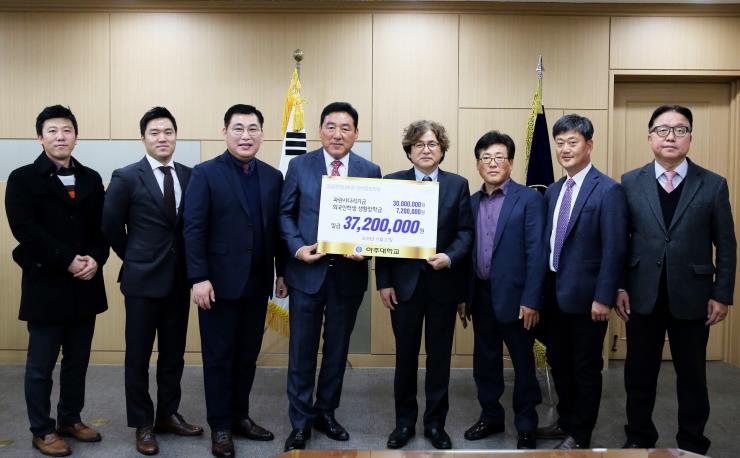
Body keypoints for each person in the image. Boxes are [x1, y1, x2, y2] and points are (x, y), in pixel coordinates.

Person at [616, 105, 735, 454]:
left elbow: (726, 244)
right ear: (650, 136)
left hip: (694, 296)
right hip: (642, 295)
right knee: (639, 374)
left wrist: (722, 294)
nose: (671, 136)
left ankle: (692, 442)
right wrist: (620, 286)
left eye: (680, 130)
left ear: (690, 138)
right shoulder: (629, 182)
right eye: (663, 129)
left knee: (693, 376)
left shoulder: (712, 184)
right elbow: (620, 241)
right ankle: (639, 437)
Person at [5, 105, 109, 457]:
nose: (60, 137)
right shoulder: (22, 178)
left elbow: (102, 229)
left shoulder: (91, 178)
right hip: (46, 284)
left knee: (77, 361)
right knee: (41, 365)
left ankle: (70, 419)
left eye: (67, 130)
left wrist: (95, 258)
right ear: (40, 138)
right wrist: (66, 259)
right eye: (52, 131)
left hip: (85, 284)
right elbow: (24, 229)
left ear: (76, 136)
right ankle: (42, 429)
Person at [183, 104, 286, 458]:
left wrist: (282, 272)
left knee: (246, 357)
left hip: (257, 283)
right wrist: (198, 277)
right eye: (238, 128)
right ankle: (221, 426)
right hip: (217, 285)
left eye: (253, 128)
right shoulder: (205, 174)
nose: (246, 135)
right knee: (219, 358)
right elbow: (193, 229)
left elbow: (277, 231)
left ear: (262, 134)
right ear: (224, 132)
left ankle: (240, 416)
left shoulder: (273, 177)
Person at [280, 102, 382, 451]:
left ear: (356, 133)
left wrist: (368, 247)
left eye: (346, 127)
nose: (338, 134)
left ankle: (326, 412)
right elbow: (285, 214)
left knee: (337, 351)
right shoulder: (299, 165)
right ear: (321, 130)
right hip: (306, 273)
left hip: (348, 276)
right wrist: (297, 249)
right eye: (331, 126)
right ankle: (300, 422)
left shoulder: (370, 170)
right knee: (302, 351)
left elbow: (378, 220)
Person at [102, 107, 203, 455]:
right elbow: (110, 226)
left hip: (179, 281)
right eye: (155, 133)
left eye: (168, 132)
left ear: (176, 136)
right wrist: (134, 257)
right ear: (143, 138)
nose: (162, 138)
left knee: (174, 354)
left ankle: (168, 414)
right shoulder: (126, 176)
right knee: (138, 356)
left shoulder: (190, 175)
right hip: (142, 282)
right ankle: (143, 423)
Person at [375, 120, 473, 450]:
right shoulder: (392, 182)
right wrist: (384, 281)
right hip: (403, 287)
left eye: (432, 144)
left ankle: (435, 423)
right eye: (419, 144)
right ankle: (404, 422)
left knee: (439, 358)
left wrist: (450, 256)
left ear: (442, 150)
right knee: (405, 357)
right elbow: (381, 234)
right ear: (409, 151)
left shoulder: (458, 185)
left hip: (443, 285)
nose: (426, 150)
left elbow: (465, 232)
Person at [539, 114, 627, 449]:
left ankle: (580, 434)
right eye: (559, 142)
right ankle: (566, 419)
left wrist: (604, 296)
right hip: (553, 294)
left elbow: (615, 248)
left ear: (589, 145)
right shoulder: (553, 191)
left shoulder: (608, 190)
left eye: (572, 142)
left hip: (589, 298)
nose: (565, 149)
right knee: (558, 361)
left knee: (585, 367)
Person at [461, 131, 545, 450]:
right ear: (478, 164)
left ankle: (526, 424)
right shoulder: (470, 202)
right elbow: (466, 253)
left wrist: (532, 300)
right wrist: (465, 298)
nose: (493, 163)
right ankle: (491, 416)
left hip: (518, 299)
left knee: (523, 364)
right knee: (485, 362)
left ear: (510, 163)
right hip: (481, 295)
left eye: (499, 157)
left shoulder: (529, 200)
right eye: (486, 158)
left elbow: (537, 253)